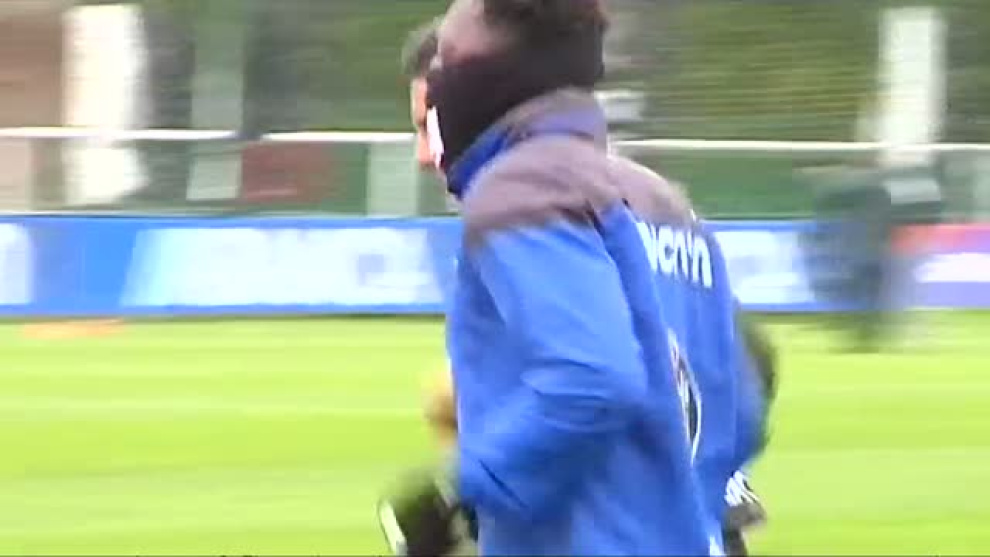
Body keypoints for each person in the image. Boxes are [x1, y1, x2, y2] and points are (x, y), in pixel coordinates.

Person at [381, 6, 774, 556]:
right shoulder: (667, 206)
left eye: (430, 123)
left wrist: (461, 495)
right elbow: (744, 392)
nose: (425, 154)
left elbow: (594, 377)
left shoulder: (526, 193)